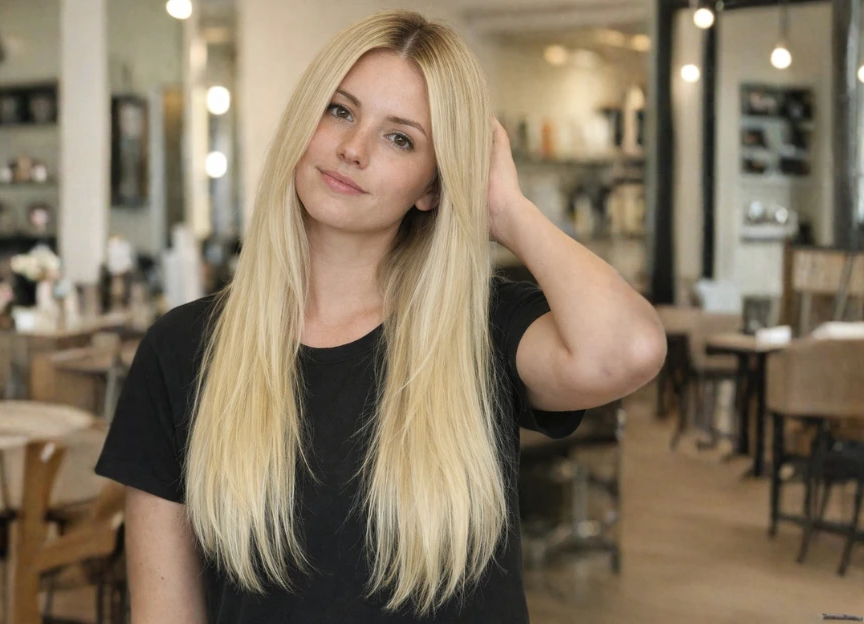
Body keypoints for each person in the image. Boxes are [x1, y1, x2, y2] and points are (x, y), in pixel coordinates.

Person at [95, 9, 665, 623]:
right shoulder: (181, 349)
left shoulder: (483, 329)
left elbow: (629, 349)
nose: (353, 149)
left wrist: (505, 210)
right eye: (339, 111)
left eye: (401, 139)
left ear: (431, 187)